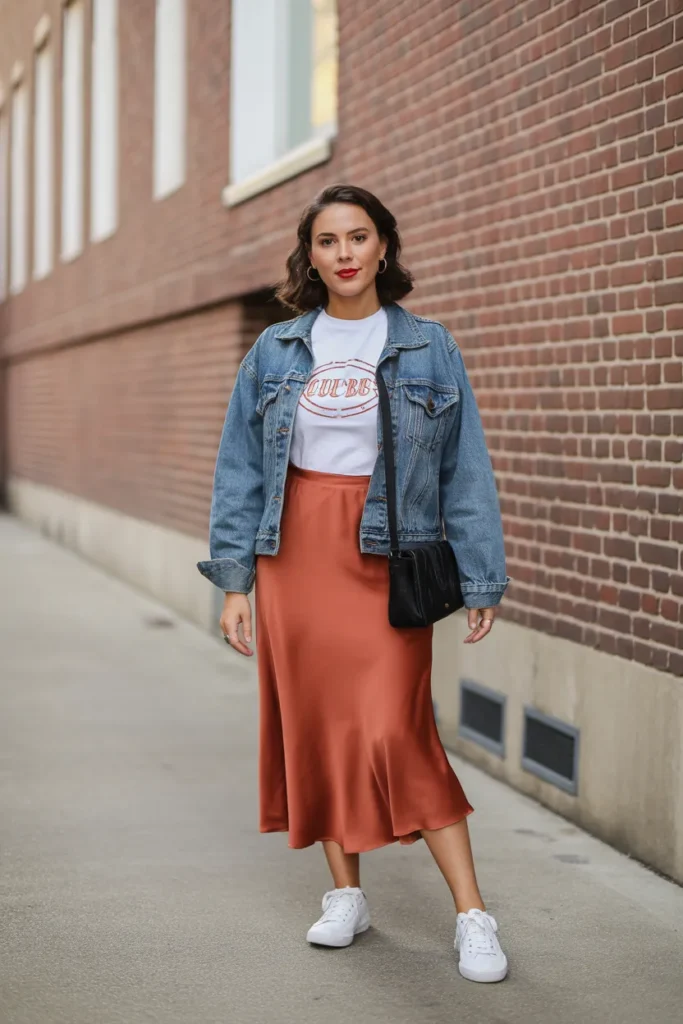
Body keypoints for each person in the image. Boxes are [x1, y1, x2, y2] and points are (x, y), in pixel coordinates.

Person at [197, 184, 510, 984]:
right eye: (327, 241)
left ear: (382, 248)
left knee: (393, 729)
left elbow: (462, 468)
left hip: (387, 553)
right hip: (294, 551)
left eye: (357, 237)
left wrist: (480, 576)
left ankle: (472, 914)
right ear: (311, 256)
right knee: (314, 724)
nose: (342, 254)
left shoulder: (427, 345)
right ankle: (346, 895)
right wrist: (235, 581)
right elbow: (238, 470)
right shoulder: (275, 351)